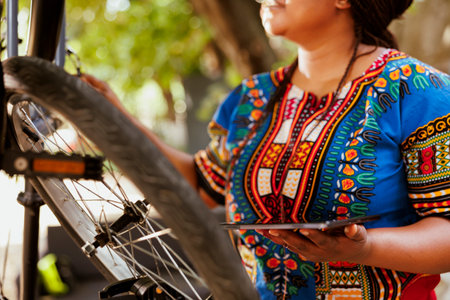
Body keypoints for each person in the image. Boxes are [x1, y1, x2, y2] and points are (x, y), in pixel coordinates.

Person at [82, 0, 450, 298]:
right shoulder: (251, 98)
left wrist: (365, 249)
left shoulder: (419, 90)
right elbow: (198, 184)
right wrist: (114, 122)